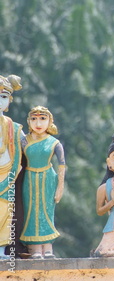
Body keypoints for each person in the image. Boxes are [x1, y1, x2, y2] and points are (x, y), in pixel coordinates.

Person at [20, 106, 65, 259]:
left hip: (48, 179)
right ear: (28, 121)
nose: (38, 123)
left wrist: (60, 186)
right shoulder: (24, 141)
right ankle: (34, 248)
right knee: (31, 211)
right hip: (29, 179)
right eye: (34, 119)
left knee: (46, 211)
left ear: (50, 121)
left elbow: (62, 165)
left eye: (42, 119)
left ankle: (47, 247)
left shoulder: (54, 142)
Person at [0, 75, 23, 259]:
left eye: (4, 96)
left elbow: (26, 143)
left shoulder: (13, 127)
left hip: (8, 172)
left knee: (6, 212)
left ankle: (1, 250)